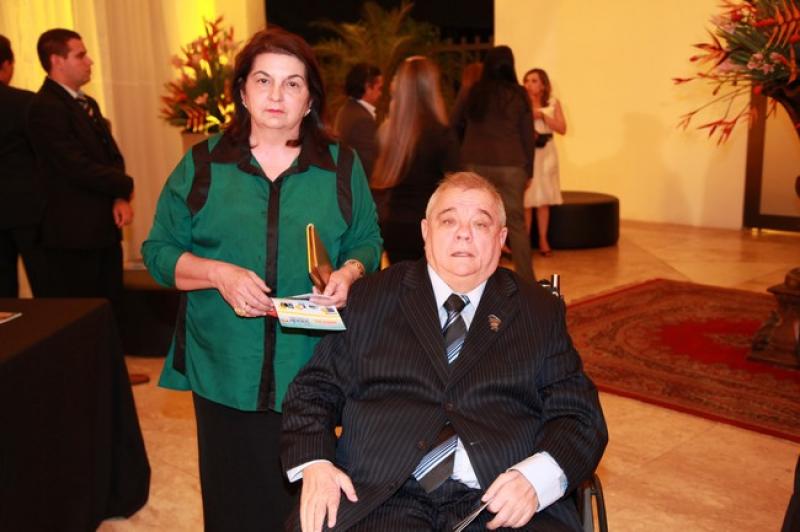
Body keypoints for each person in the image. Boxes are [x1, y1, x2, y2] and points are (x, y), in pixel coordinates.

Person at [141, 28, 382, 532]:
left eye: (292, 83)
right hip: (223, 365)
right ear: (243, 92)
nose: (277, 95)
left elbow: (366, 240)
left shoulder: (341, 166)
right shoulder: (203, 163)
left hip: (311, 368)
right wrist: (217, 274)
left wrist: (349, 272)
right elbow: (159, 253)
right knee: (232, 502)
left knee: (305, 506)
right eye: (264, 80)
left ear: (310, 99)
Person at [281, 172, 608, 531]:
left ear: (501, 238)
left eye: (480, 224)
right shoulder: (371, 298)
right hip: (379, 497)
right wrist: (316, 464)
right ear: (426, 231)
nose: (464, 233)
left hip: (499, 500)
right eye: (449, 220)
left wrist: (535, 478)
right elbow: (314, 390)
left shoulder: (538, 311)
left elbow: (580, 415)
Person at [27, 29, 134, 315]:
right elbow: (74, 165)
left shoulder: (87, 103)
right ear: (57, 61)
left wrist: (119, 197)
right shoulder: (45, 107)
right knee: (82, 312)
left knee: (111, 305)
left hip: (102, 227)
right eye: (80, 55)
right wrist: (124, 184)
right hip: (72, 233)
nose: (90, 61)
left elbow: (111, 155)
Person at [451, 46, 536, 285]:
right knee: (516, 225)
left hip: (475, 163)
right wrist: (529, 170)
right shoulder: (519, 94)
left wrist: (465, 148)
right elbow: (527, 135)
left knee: (477, 222)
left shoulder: (474, 91)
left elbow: (454, 122)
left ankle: (476, 278)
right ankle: (527, 283)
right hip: (511, 164)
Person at [371, 56, 460, 263]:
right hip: (429, 228)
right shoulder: (441, 134)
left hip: (394, 227)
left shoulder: (387, 132)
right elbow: (457, 183)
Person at [0, 35, 47, 297]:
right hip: (29, 207)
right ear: (7, 65)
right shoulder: (26, 103)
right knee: (45, 284)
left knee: (3, 293)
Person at [522, 69, 566, 257]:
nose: (529, 84)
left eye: (534, 80)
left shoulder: (553, 103)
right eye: (526, 80)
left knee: (544, 199)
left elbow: (562, 128)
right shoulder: (521, 103)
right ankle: (524, 242)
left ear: (543, 84)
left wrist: (543, 116)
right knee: (527, 199)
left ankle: (543, 239)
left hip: (546, 152)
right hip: (527, 153)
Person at [334, 62, 383, 180]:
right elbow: (368, 168)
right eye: (379, 88)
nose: (381, 94)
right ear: (368, 87)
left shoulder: (346, 109)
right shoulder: (363, 120)